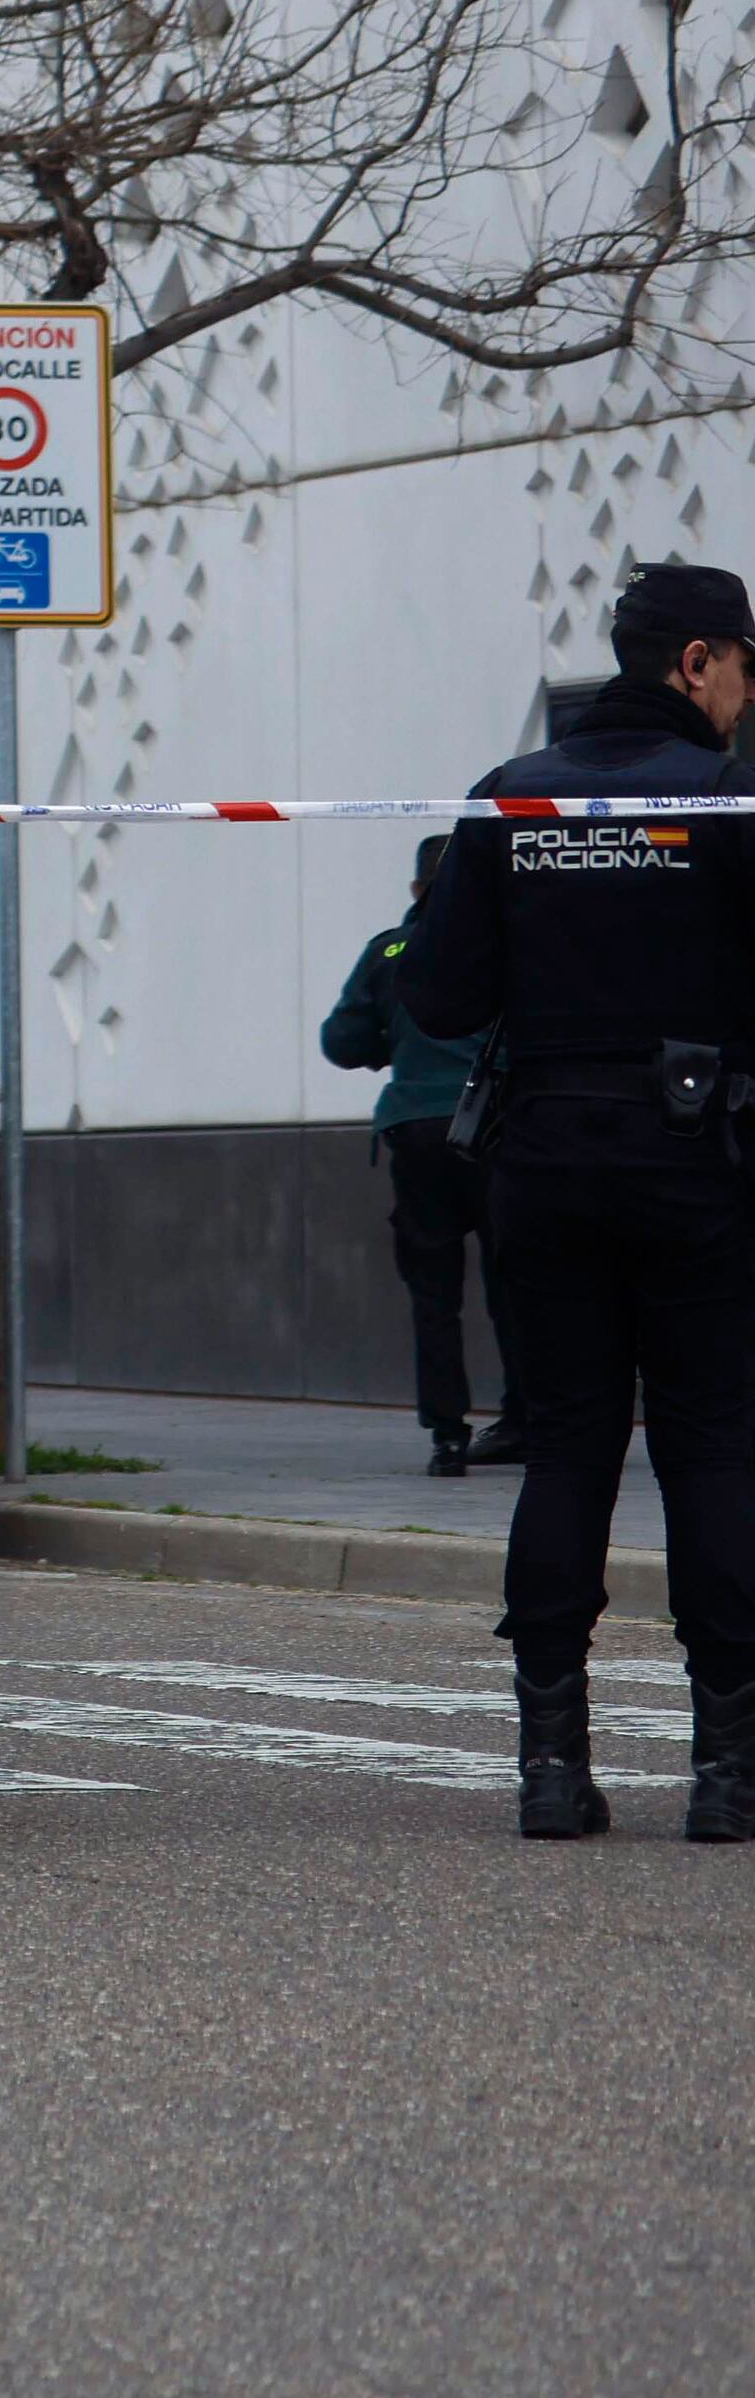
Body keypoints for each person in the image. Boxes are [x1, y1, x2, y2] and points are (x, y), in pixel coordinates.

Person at [397, 560, 755, 1844]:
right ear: (697, 662)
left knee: (565, 1456)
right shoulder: (724, 796)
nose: (740, 701)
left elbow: (436, 1000)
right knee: (711, 1451)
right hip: (693, 1163)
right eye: (740, 672)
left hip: (540, 1162)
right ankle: (726, 1777)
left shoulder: (508, 799)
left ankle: (550, 1768)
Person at [319, 837, 513, 1476]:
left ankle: (448, 1437)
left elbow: (343, 1041)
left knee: (434, 1293)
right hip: (499, 1129)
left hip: (419, 1130)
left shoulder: (390, 950)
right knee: (517, 1281)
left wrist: (392, 1046)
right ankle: (530, 1418)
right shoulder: (510, 939)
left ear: (416, 890)